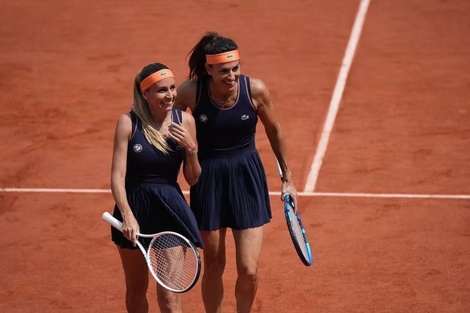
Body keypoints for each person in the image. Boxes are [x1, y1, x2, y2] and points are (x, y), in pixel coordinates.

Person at [174, 32, 299, 313]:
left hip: (247, 178)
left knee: (249, 269)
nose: (231, 76)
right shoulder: (190, 91)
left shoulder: (255, 90)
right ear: (208, 69)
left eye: (235, 68)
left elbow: (274, 130)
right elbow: (169, 126)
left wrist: (287, 178)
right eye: (223, 71)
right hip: (209, 180)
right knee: (215, 265)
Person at [110, 62, 203, 313]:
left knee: (171, 298)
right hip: (135, 208)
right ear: (145, 94)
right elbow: (117, 177)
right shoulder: (128, 123)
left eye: (172, 88)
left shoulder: (186, 122)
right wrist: (128, 216)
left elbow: (192, 179)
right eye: (162, 90)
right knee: (136, 288)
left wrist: (191, 148)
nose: (171, 95)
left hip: (169, 210)